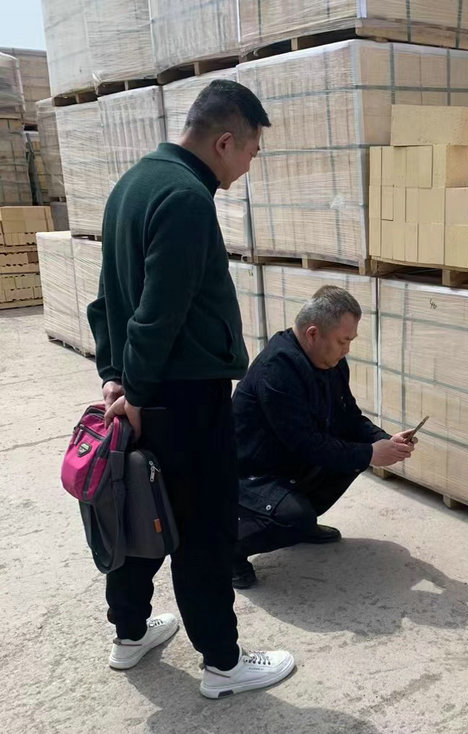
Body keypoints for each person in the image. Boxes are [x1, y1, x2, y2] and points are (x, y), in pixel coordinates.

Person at [86, 79, 294, 699]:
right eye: (251, 151)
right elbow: (158, 314)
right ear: (225, 141)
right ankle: (224, 664)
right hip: (183, 397)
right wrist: (137, 390)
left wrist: (115, 378)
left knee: (138, 510)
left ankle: (129, 633)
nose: (249, 165)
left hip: (144, 390)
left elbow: (106, 301)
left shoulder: (133, 184)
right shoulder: (185, 197)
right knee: (203, 529)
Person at [231, 286, 416, 589]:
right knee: (293, 517)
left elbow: (349, 417)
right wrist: (372, 453)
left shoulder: (330, 362)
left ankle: (298, 522)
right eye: (343, 341)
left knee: (357, 452)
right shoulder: (277, 369)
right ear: (313, 333)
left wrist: (386, 441)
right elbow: (305, 443)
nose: (347, 350)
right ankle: (228, 549)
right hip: (249, 476)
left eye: (350, 341)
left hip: (286, 463)